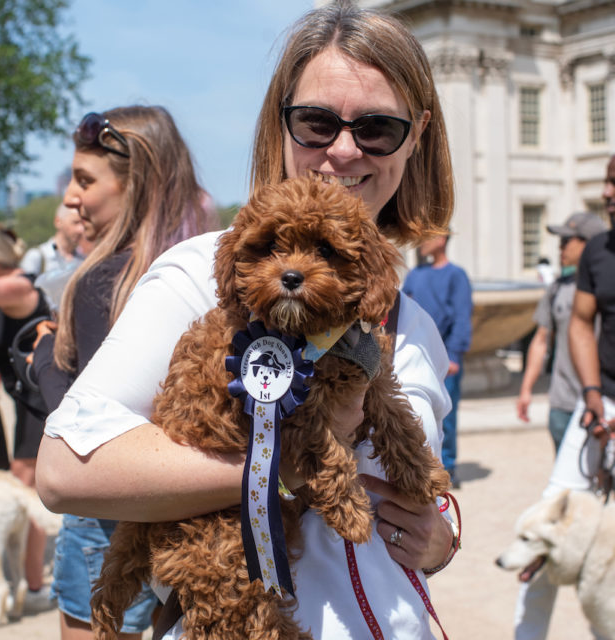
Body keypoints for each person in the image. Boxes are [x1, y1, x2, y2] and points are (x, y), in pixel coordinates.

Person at [37, 3, 459, 638]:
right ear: (282, 122)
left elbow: (420, 477)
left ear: (417, 134)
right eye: (316, 121)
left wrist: (442, 536)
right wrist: (287, 464)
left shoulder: (417, 321)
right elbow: (65, 469)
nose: (342, 151)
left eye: (376, 127)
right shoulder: (202, 274)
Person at [30, 106, 214, 640]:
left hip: (103, 525)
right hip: (178, 517)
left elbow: (76, 424)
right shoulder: (195, 281)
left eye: (85, 180)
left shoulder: (102, 281)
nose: (71, 196)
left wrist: (44, 352)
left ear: (136, 186)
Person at [513, 156, 615, 640]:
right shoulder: (598, 252)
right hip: (596, 404)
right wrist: (593, 392)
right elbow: (578, 323)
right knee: (549, 515)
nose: (609, 193)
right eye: (609, 183)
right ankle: (526, 634)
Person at [0, 224, 52, 605]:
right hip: (25, 401)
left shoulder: (19, 286)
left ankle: (35, 585)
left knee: (27, 493)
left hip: (39, 403)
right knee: (27, 493)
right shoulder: (4, 290)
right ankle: (32, 582)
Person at [516, 212, 607, 452]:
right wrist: (526, 389)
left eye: (567, 240)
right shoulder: (556, 288)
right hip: (562, 403)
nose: (560, 247)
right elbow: (541, 340)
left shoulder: (607, 286)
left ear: (589, 244)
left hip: (603, 401)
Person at [402, 230, 473, 489]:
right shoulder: (415, 275)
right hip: (417, 356)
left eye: (427, 237)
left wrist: (454, 354)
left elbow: (462, 317)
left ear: (442, 238)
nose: (421, 242)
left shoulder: (456, 275)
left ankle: (448, 467)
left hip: (445, 359)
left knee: (446, 415)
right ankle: (422, 466)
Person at [20, 201, 85, 278]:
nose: (81, 229)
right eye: (75, 222)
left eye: (84, 224)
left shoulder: (83, 260)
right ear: (58, 222)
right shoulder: (37, 256)